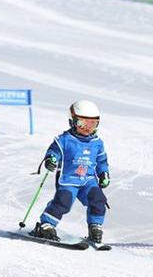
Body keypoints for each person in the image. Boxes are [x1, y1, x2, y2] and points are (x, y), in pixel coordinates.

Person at [31, 100, 110, 244]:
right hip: (68, 179)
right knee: (63, 201)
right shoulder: (65, 140)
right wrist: (51, 159)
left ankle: (95, 227)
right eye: (82, 124)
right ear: (72, 121)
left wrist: (104, 173)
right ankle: (46, 225)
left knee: (98, 200)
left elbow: (102, 161)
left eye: (92, 124)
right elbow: (54, 152)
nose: (87, 128)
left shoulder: (97, 143)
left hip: (88, 180)